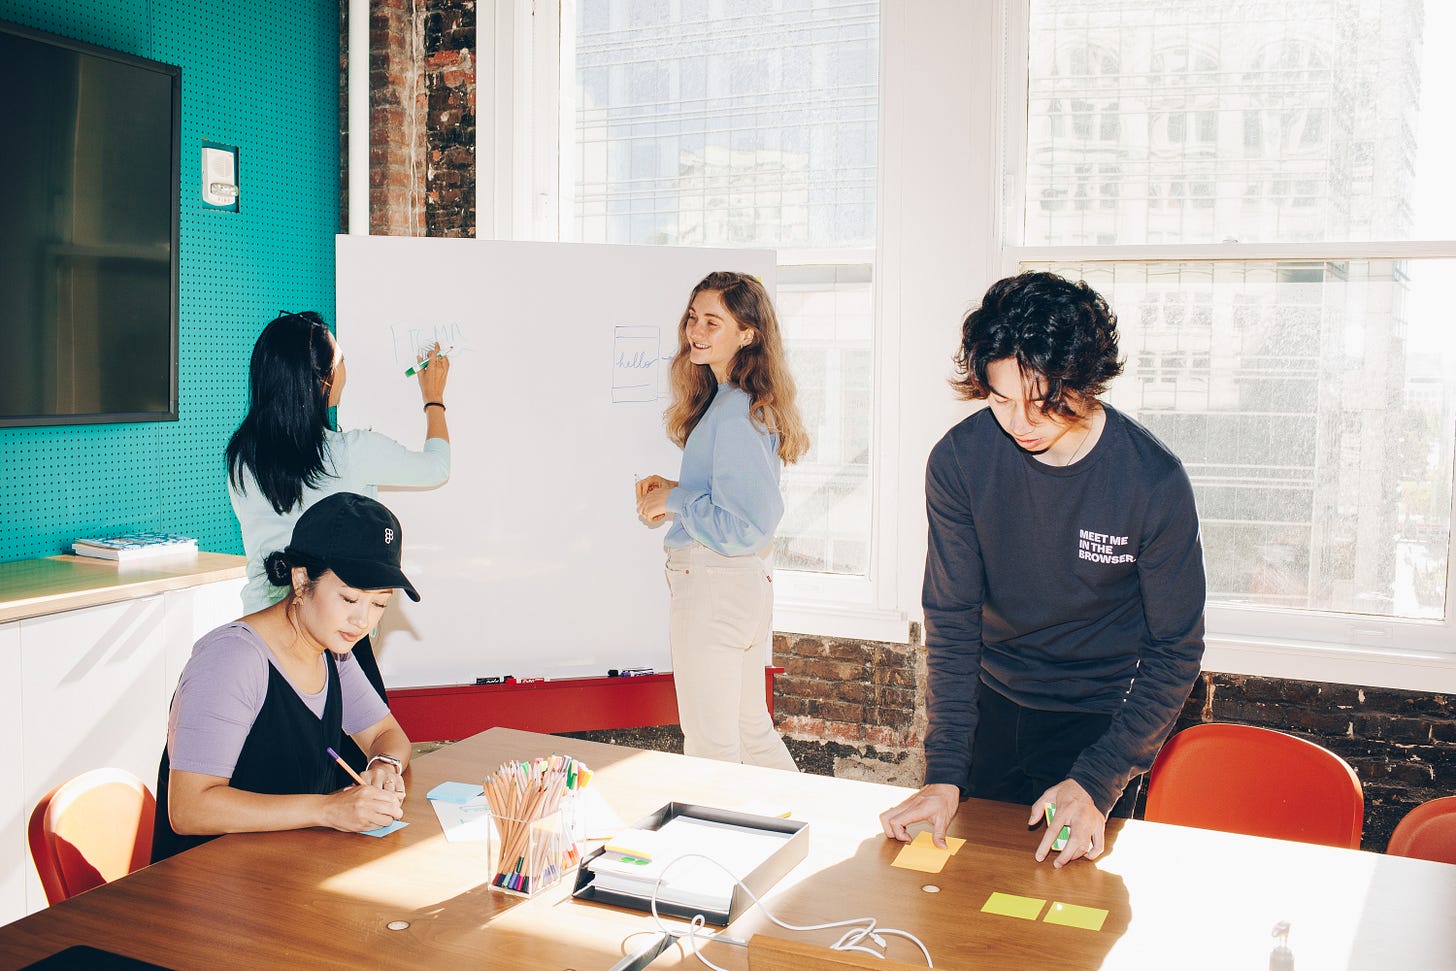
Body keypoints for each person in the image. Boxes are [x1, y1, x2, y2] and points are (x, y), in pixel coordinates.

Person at [879, 271, 1206, 867]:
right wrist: (945, 772)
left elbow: (1175, 651)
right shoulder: (959, 462)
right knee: (965, 885)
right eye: (1002, 399)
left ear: (1087, 381)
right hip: (991, 704)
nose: (1020, 422)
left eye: (1043, 401)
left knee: (1068, 903)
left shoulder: (1152, 482)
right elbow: (952, 621)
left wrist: (1100, 779)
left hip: (1100, 718)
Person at [153, 493, 419, 862]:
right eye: (349, 599)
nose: (363, 621)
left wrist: (383, 765)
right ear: (301, 579)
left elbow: (385, 735)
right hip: (207, 876)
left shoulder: (334, 651)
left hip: (286, 866)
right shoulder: (233, 658)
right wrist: (327, 810)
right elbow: (189, 809)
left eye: (379, 604)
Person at [225, 310, 451, 701]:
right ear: (323, 381)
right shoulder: (352, 452)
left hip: (263, 628)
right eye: (342, 359)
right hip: (332, 633)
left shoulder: (242, 458)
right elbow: (436, 467)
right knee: (357, 734)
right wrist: (434, 399)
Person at [634, 271, 809, 770]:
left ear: (748, 333)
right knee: (750, 733)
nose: (696, 330)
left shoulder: (734, 409)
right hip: (738, 584)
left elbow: (747, 526)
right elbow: (736, 505)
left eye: (713, 322)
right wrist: (677, 491)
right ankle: (801, 816)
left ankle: (727, 826)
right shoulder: (739, 402)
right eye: (693, 317)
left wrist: (677, 499)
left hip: (713, 583)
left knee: (711, 747)